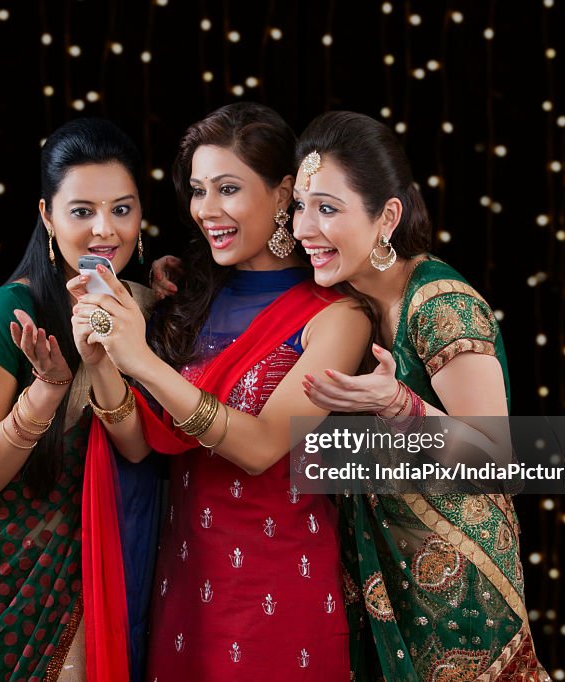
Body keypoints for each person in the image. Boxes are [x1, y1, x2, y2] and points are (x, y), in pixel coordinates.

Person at [70, 102, 369, 680]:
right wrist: (102, 362)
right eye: (199, 190)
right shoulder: (191, 298)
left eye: (227, 189)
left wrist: (144, 361)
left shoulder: (338, 315)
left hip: (284, 588)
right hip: (185, 586)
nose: (207, 211)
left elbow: (259, 449)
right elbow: (140, 447)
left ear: (284, 194)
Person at [292, 111, 549, 680]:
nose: (305, 228)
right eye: (301, 205)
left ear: (386, 217)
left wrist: (399, 407)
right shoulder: (350, 294)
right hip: (383, 578)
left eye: (327, 208)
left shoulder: (440, 304)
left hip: (459, 591)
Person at [0, 118, 160, 682]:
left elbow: (136, 448)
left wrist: (106, 356)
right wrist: (47, 389)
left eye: (122, 209)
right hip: (9, 577)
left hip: (109, 560)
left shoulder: (147, 309)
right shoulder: (6, 314)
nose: (105, 230)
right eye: (81, 211)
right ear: (47, 216)